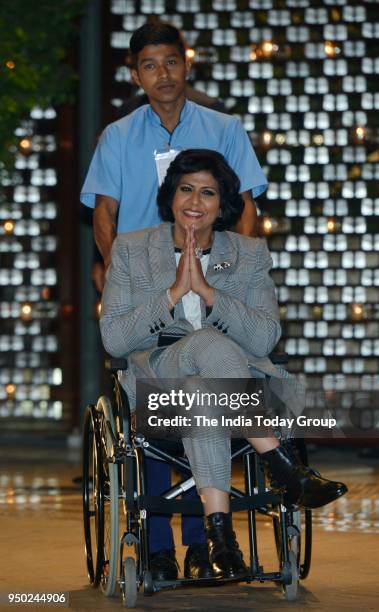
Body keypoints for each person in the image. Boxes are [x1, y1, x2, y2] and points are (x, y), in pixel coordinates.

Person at [100, 149, 348, 579]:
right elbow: (115, 338)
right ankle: (281, 465)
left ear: (223, 203)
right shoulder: (131, 250)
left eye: (208, 192)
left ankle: (221, 540)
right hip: (157, 392)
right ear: (172, 195)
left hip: (214, 398)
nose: (195, 201)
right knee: (206, 345)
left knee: (203, 391)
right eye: (186, 189)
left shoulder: (249, 254)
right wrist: (174, 293)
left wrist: (212, 294)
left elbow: (265, 337)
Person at [81, 21, 268, 580]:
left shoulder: (224, 127)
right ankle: (161, 545)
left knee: (197, 392)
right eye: (149, 65)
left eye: (170, 62)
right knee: (155, 419)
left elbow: (249, 208)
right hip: (147, 290)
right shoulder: (118, 137)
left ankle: (200, 543)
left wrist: (232, 276)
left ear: (187, 64)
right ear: (135, 73)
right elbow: (105, 216)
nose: (162, 74)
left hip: (210, 283)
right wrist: (121, 280)